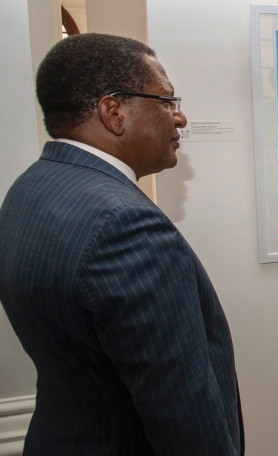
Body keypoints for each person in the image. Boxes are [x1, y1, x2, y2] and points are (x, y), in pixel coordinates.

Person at [0, 34, 243, 455]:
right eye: (167, 101)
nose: (180, 118)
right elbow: (182, 410)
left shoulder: (30, 188)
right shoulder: (125, 225)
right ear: (113, 112)